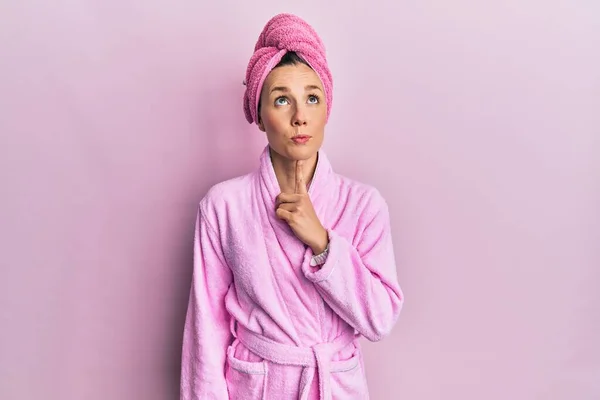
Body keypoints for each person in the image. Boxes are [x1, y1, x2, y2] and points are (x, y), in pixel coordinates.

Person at [180, 13, 404, 400]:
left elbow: (380, 320)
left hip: (335, 385)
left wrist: (323, 243)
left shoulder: (364, 205)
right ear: (260, 116)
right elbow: (207, 332)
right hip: (258, 386)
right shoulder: (223, 207)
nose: (300, 116)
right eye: (282, 99)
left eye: (312, 98)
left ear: (326, 110)